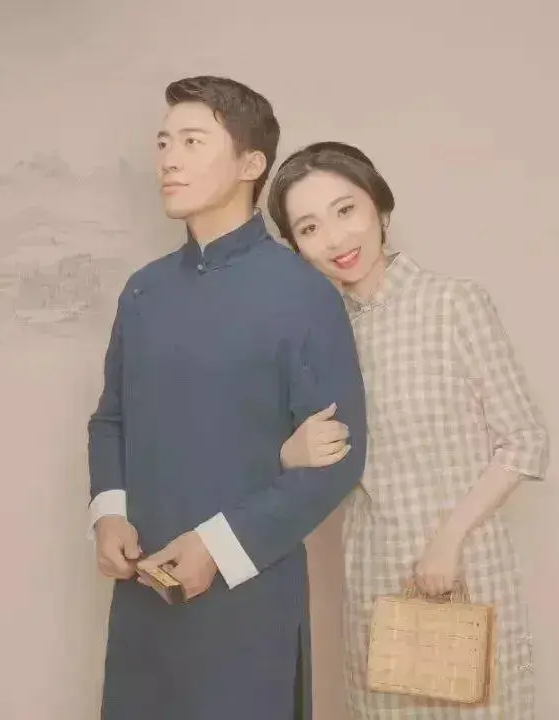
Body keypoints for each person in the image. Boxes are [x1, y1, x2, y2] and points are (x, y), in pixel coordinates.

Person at [86, 80, 368, 720]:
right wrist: (109, 514)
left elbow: (338, 461)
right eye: (163, 142)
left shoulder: (303, 294)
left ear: (250, 163)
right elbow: (110, 420)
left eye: (192, 142)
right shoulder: (144, 291)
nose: (168, 159)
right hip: (143, 588)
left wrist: (216, 547)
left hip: (248, 590)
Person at [266, 141, 549, 719]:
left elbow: (525, 440)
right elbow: (310, 465)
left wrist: (449, 540)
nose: (336, 239)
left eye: (346, 211)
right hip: (374, 580)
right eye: (310, 228)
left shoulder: (453, 304)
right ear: (296, 248)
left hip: (468, 571)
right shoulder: (317, 340)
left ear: (380, 207)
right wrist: (289, 455)